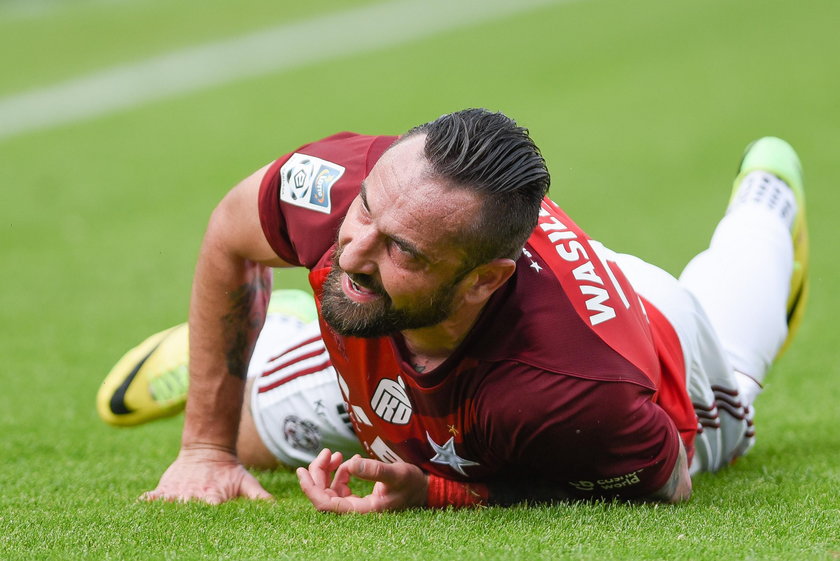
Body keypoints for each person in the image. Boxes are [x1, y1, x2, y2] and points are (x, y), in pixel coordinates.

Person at [97, 108, 808, 511]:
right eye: (366, 212)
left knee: (737, 372)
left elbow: (668, 482)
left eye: (401, 248)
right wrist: (205, 450)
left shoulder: (577, 392)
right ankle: (281, 326)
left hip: (663, 340)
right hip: (412, 329)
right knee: (247, 437)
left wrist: (440, 489)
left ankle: (768, 196)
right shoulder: (352, 194)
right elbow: (232, 236)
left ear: (480, 280)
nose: (347, 253)